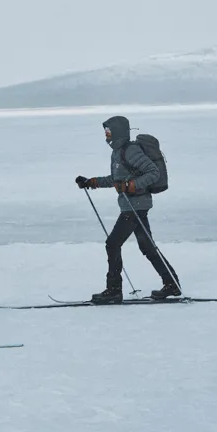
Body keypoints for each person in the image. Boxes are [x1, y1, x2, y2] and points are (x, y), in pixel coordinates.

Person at [75, 116, 181, 303]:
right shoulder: (117, 152)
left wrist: (132, 186)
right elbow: (117, 180)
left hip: (135, 206)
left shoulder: (131, 150)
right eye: (105, 131)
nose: (106, 135)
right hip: (132, 206)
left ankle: (114, 290)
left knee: (112, 244)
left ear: (118, 132)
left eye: (109, 131)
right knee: (147, 246)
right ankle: (171, 284)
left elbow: (153, 173)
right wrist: (91, 182)